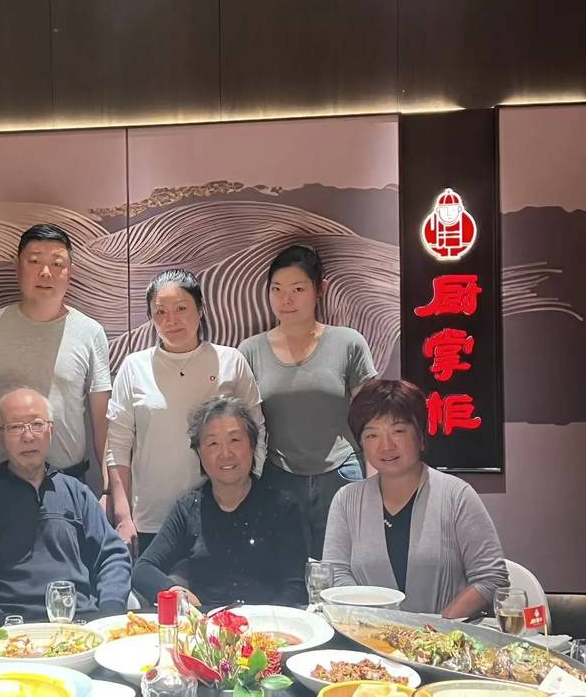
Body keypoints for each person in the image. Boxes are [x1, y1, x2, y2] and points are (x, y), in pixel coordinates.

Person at [107, 269, 265, 555]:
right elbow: (117, 446)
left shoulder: (231, 361)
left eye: (181, 308)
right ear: (151, 318)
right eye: (161, 312)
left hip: (224, 510)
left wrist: (251, 490)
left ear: (200, 310)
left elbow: (257, 431)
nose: (171, 320)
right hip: (152, 518)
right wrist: (123, 516)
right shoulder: (133, 367)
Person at [0, 388, 131, 627]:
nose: (28, 436)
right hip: (12, 628)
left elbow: (112, 555)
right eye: (15, 427)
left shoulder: (77, 493)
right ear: (0, 435)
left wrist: (109, 614)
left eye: (36, 425)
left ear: (51, 430)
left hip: (81, 624)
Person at [323, 379, 509, 618]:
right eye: (372, 435)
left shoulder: (457, 495)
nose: (386, 446)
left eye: (398, 431)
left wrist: (438, 628)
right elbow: (336, 574)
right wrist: (372, 624)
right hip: (368, 633)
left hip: (446, 636)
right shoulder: (346, 500)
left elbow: (491, 578)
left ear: (421, 436)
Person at [238, 245, 377, 557]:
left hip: (341, 474)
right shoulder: (250, 351)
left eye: (298, 289)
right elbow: (244, 426)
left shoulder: (348, 343)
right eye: (276, 289)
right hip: (279, 477)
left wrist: (375, 481)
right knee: (286, 569)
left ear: (320, 289)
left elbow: (373, 418)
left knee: (344, 566)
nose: (285, 299)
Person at [0, 224, 111, 485]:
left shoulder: (90, 332)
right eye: (34, 261)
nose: (45, 272)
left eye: (57, 263)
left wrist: (109, 489)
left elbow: (103, 423)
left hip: (69, 482)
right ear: (17, 266)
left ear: (70, 271)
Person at [133, 396, 308, 607]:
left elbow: (295, 588)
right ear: (199, 452)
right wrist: (174, 592)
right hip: (206, 623)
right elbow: (142, 569)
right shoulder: (188, 509)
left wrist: (267, 622)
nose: (225, 454)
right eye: (213, 444)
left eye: (235, 440)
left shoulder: (282, 507)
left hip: (267, 622)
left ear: (252, 445)